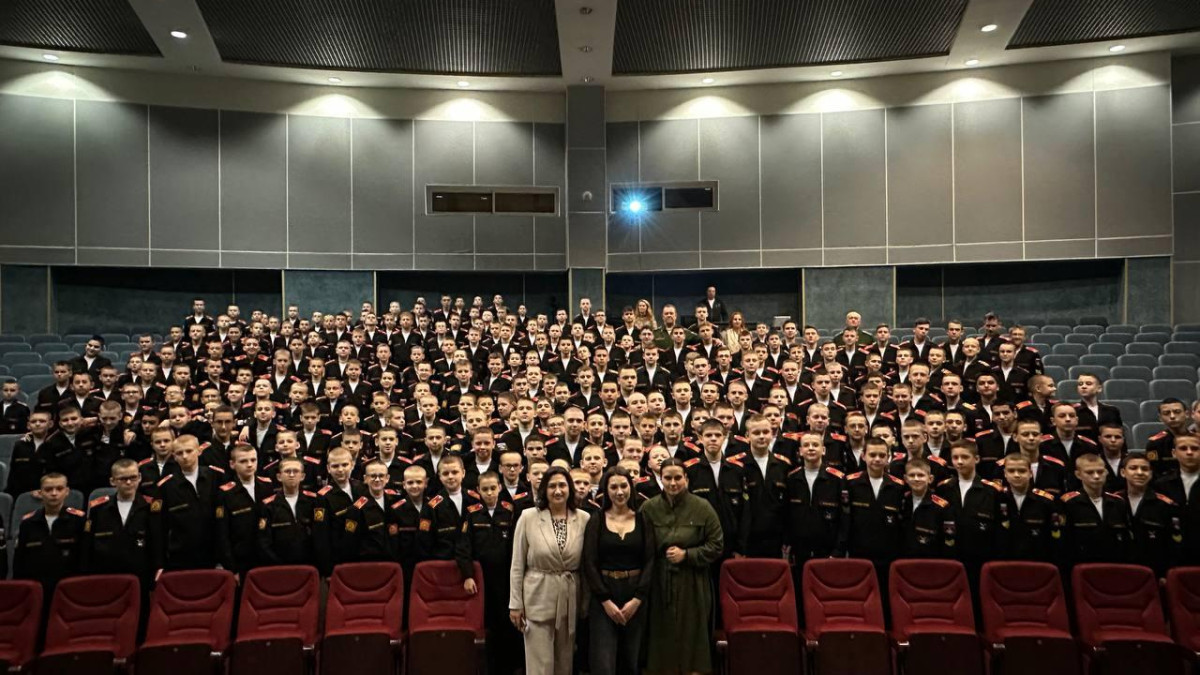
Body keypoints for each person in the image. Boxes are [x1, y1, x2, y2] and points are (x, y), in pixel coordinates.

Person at [641, 458, 724, 675]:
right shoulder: (649, 508)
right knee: (661, 637)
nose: (673, 483)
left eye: (678, 477)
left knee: (693, 637)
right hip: (659, 581)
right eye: (667, 478)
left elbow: (716, 545)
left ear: (686, 479)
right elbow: (639, 544)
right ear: (660, 479)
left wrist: (687, 555)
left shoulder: (702, 507)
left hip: (693, 581)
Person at [509, 466, 590, 675]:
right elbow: (517, 564)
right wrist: (515, 603)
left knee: (565, 664)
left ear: (570, 489)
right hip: (537, 597)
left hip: (569, 598)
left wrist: (585, 602)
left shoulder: (583, 518)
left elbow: (587, 565)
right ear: (544, 490)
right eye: (552, 486)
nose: (558, 490)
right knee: (540, 666)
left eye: (562, 485)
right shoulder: (528, 517)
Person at [582, 466, 656, 675]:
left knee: (631, 661)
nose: (620, 492)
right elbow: (589, 562)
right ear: (606, 490)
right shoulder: (597, 520)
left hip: (635, 594)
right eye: (613, 487)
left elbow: (650, 560)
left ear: (631, 487)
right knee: (603, 663)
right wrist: (605, 601)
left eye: (624, 486)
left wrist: (637, 599)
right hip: (604, 596)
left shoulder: (643, 519)